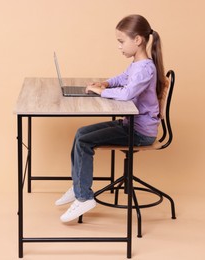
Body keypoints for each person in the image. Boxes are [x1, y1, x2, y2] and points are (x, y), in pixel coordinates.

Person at [56, 14, 166, 222]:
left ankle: (84, 198)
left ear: (138, 40)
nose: (119, 47)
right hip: (130, 125)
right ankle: (78, 186)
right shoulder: (138, 64)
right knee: (81, 133)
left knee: (84, 141)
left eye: (121, 42)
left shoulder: (145, 69)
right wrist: (105, 84)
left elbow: (126, 94)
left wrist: (99, 92)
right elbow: (123, 78)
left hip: (140, 133)